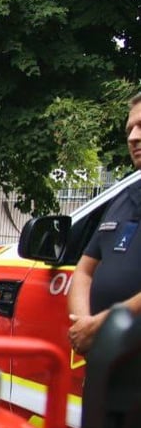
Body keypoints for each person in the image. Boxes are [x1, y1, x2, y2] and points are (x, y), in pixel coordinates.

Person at [68, 91, 141, 354]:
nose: (133, 137)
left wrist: (101, 326)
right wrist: (84, 324)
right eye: (130, 129)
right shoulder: (123, 197)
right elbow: (85, 269)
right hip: (106, 365)